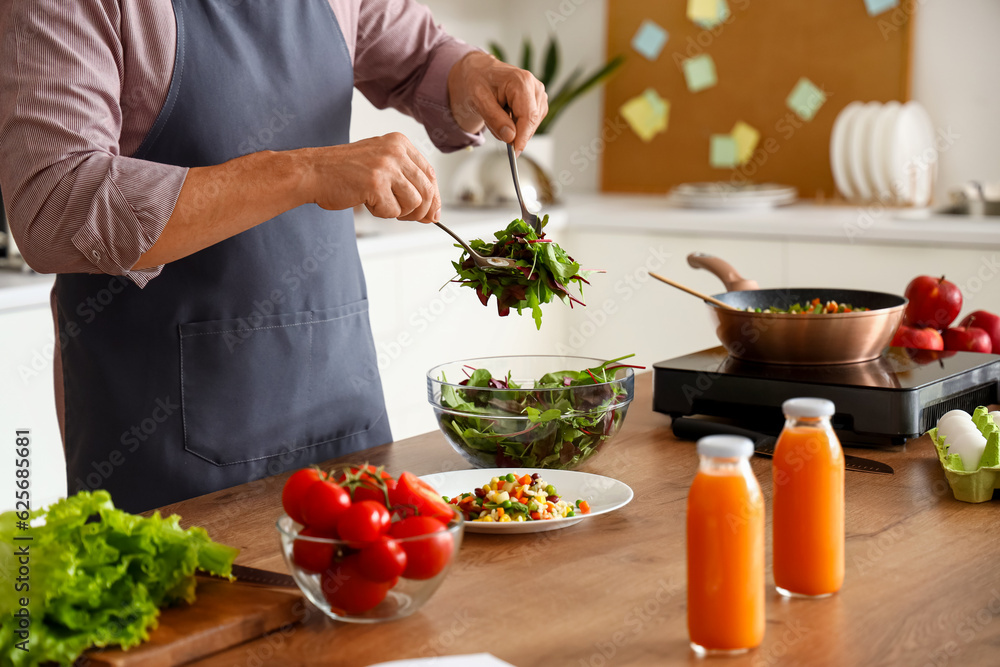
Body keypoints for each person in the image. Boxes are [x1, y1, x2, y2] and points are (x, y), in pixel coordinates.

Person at [0, 1, 547, 512]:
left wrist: (476, 72)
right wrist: (304, 172)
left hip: (342, 407)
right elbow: (54, 202)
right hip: (164, 441)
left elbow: (421, 56)